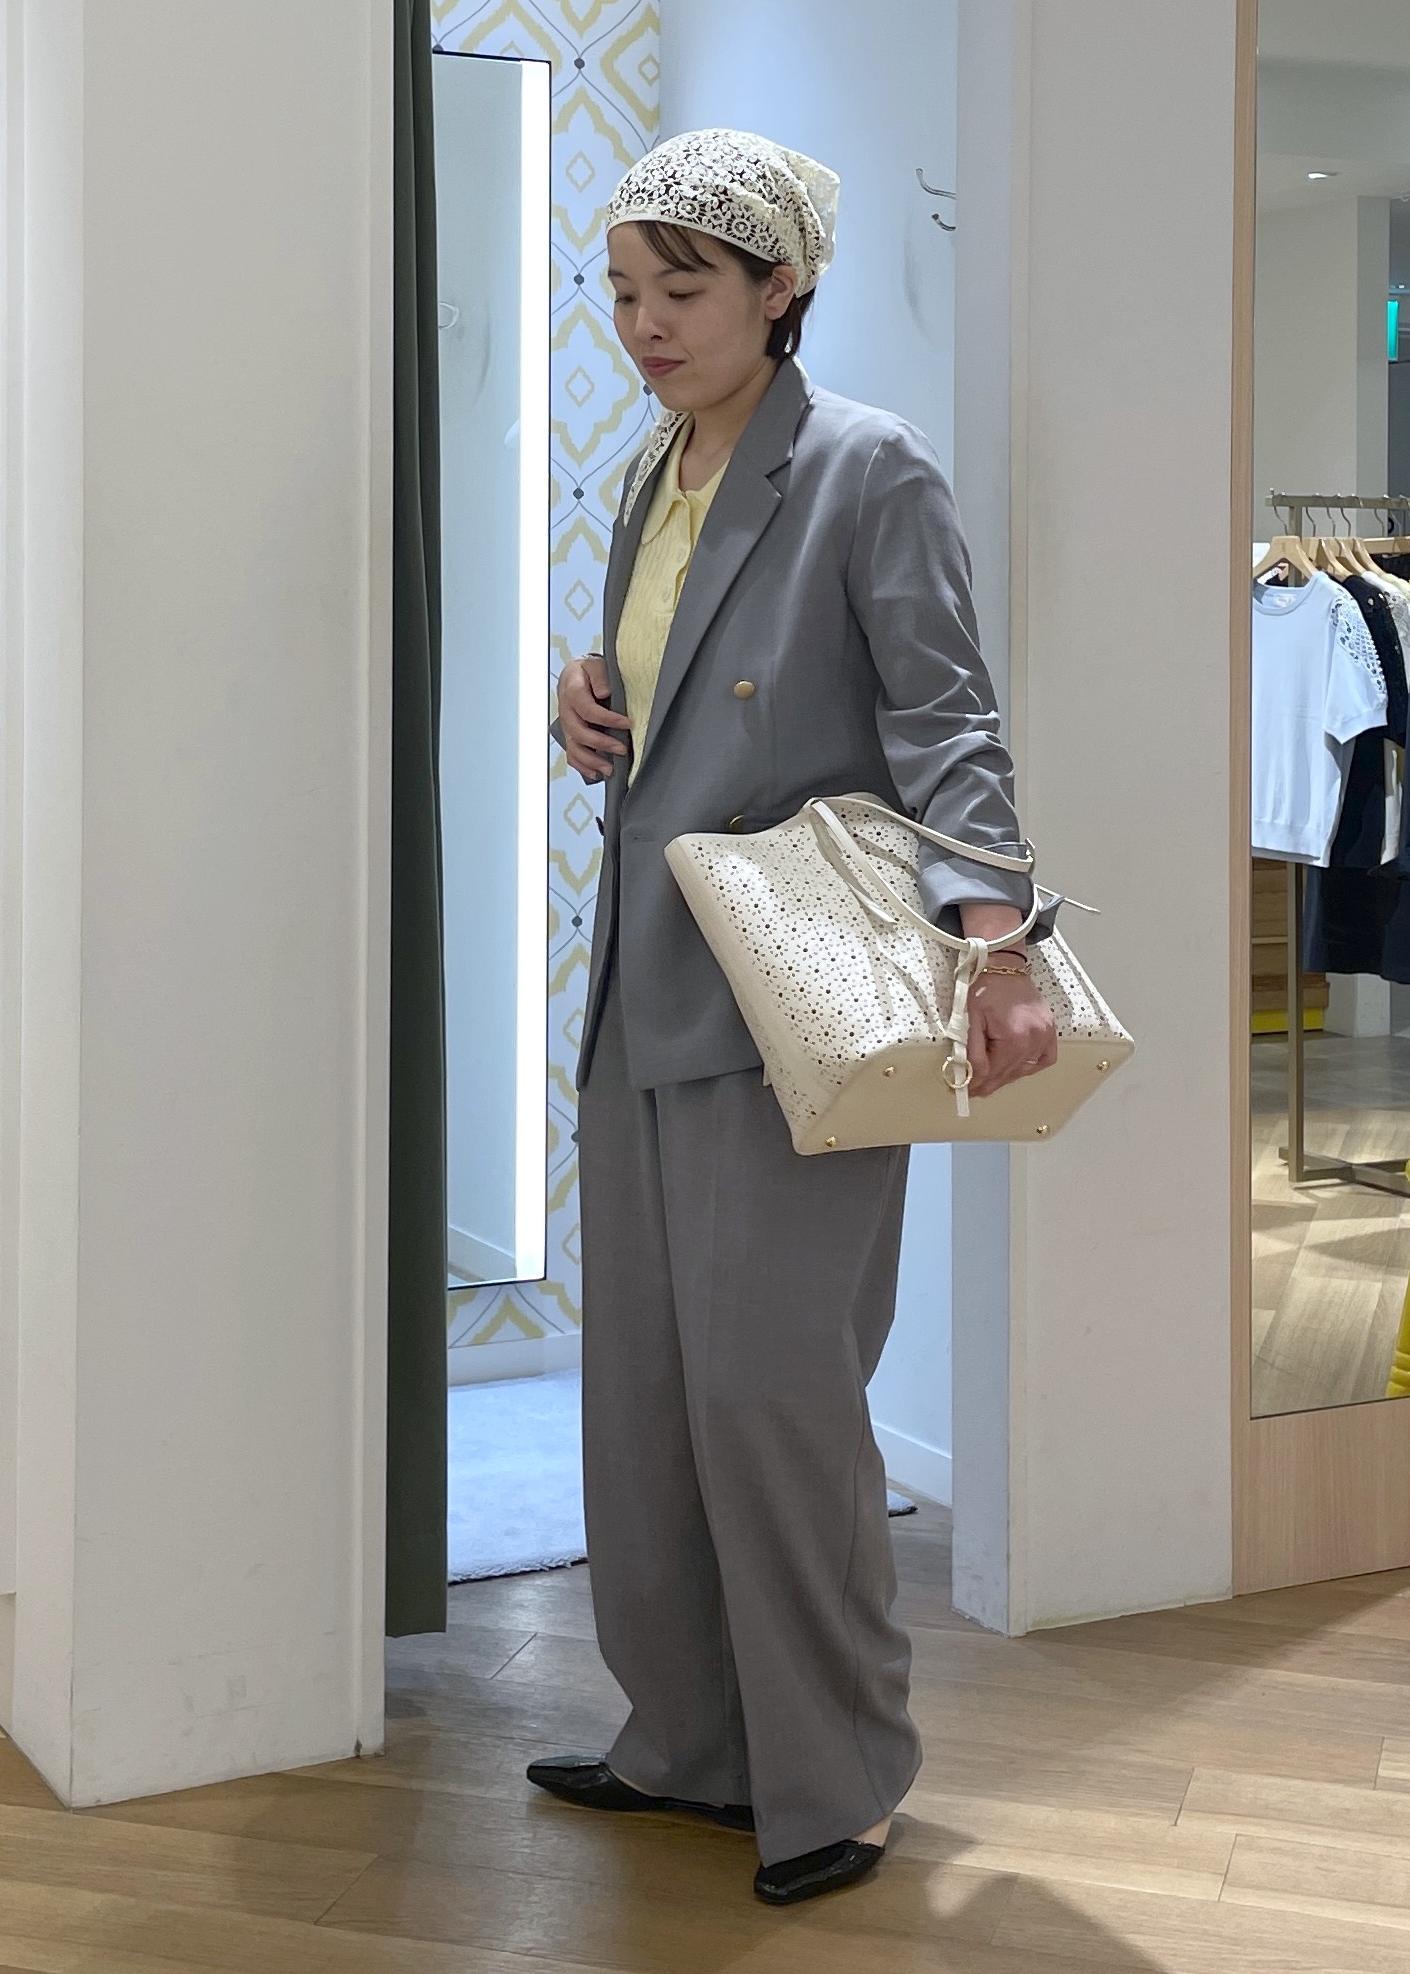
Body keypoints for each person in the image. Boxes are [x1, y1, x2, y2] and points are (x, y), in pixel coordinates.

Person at [529, 128, 1058, 1906]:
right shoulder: (651, 470)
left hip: (796, 1005)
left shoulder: (864, 467)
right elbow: (675, 690)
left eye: (682, 289)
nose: (644, 324)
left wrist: (997, 942)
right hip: (644, 983)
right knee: (647, 1394)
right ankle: (686, 1741)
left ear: (783, 286)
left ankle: (836, 1773)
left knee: (776, 1394)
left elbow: (946, 720)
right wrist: (582, 699)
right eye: (624, 291)